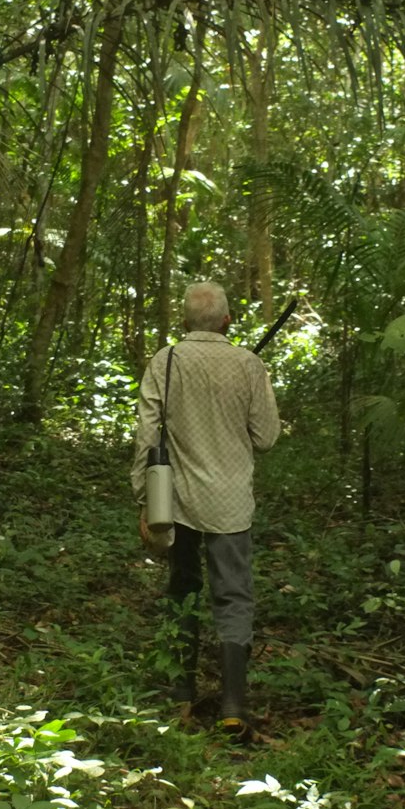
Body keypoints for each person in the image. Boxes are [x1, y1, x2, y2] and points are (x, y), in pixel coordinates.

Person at [132, 280, 281, 733]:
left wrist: (143, 497)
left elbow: (146, 432)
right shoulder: (248, 364)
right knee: (233, 597)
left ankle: (181, 696)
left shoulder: (167, 360)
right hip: (231, 501)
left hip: (177, 501)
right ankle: (234, 705)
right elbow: (267, 437)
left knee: (182, 587)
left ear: (183, 322)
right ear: (227, 320)